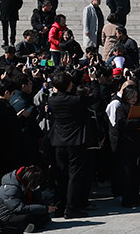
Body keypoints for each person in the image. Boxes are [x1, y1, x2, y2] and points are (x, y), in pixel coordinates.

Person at [47, 72, 95, 218]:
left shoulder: (52, 100)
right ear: (69, 85)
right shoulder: (76, 100)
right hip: (75, 141)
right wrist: (93, 80)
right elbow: (95, 97)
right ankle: (71, 207)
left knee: (61, 175)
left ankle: (60, 206)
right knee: (75, 175)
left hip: (58, 140)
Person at [0, 166, 53, 234]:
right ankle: (26, 225)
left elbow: (36, 200)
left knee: (42, 215)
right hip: (4, 216)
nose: (36, 186)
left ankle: (29, 225)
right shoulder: (11, 188)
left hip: (16, 211)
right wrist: (44, 208)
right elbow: (18, 208)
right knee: (29, 215)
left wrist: (46, 207)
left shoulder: (24, 184)